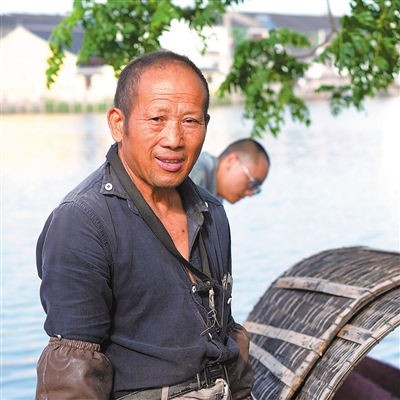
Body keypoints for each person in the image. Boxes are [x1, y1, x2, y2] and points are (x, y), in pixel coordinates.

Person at [35, 51, 254, 400]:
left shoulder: (211, 211)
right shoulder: (82, 222)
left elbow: (225, 330)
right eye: (156, 119)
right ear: (118, 123)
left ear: (206, 124)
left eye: (190, 121)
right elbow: (71, 375)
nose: (174, 139)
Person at [189, 139, 270, 204]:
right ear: (231, 161)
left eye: (256, 188)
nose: (250, 193)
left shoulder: (216, 196)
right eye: (253, 184)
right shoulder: (196, 171)